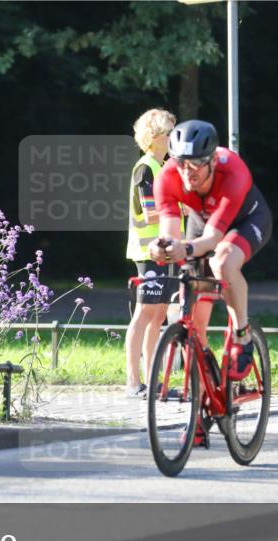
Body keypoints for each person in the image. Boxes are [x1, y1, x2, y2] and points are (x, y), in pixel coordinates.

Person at [150, 119, 272, 426]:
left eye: (195, 165)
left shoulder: (233, 171)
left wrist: (187, 249)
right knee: (192, 320)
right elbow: (170, 230)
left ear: (212, 161)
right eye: (180, 164)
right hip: (201, 224)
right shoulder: (167, 177)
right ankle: (201, 405)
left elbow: (214, 240)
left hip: (245, 220)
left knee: (222, 262)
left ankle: (242, 336)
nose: (187, 172)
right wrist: (163, 247)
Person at [124, 108, 180, 398]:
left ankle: (152, 382)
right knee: (144, 314)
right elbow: (148, 215)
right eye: (170, 132)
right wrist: (182, 207)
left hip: (167, 251)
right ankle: (133, 382)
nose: (174, 137)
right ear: (156, 136)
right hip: (149, 253)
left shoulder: (165, 167)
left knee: (158, 316)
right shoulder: (146, 167)